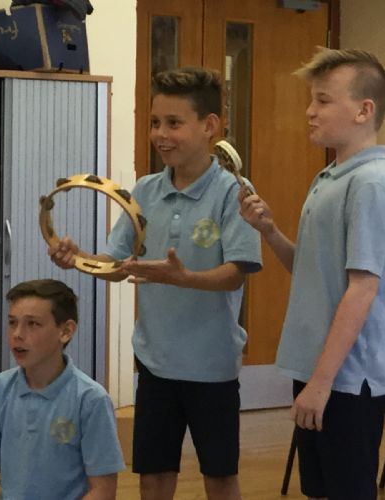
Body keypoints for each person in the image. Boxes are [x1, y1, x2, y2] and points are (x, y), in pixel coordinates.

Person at [48, 67, 262, 500]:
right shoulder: (144, 191)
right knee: (153, 476)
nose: (161, 134)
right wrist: (78, 259)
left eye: (174, 123)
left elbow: (236, 272)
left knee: (220, 477)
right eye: (155, 122)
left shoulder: (232, 192)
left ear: (209, 126)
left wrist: (184, 278)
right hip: (155, 364)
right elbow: (116, 262)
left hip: (213, 367)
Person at [239, 47, 385, 500]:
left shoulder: (371, 182)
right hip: (320, 370)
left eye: (324, 100)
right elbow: (311, 271)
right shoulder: (330, 177)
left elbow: (362, 290)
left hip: (348, 379)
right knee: (321, 490)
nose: (310, 111)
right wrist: (270, 231)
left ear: (363, 110)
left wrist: (322, 383)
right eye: (312, 99)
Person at [0, 279, 125, 500]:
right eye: (12, 323)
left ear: (66, 331)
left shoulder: (91, 400)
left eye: (33, 324)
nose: (17, 334)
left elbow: (103, 490)